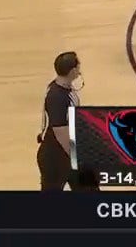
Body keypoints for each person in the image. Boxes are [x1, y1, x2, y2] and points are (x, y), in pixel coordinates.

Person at [37, 52, 82, 191]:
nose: (80, 68)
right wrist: (76, 156)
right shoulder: (57, 97)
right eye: (78, 65)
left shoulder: (61, 86)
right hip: (56, 156)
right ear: (73, 71)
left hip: (64, 152)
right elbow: (60, 132)